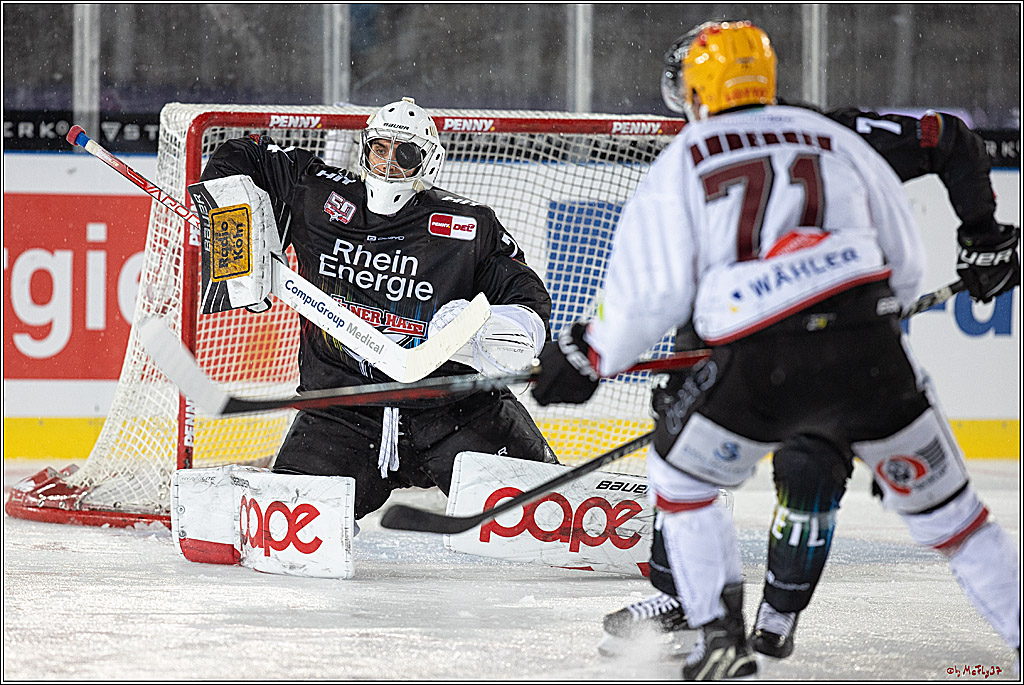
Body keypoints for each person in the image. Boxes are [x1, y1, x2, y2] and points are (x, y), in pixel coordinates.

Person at [530, 20, 1020, 680]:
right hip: (868, 351)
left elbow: (651, 291)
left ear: (695, 92)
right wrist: (860, 314)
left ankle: (719, 637)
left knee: (682, 480)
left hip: (760, 360)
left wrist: (590, 355)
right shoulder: (832, 135)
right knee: (960, 521)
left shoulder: (689, 154)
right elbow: (902, 260)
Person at [199, 97, 558, 522]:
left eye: (404, 154)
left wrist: (489, 330)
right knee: (278, 530)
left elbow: (528, 299)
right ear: (364, 149)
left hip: (455, 411)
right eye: (379, 148)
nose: (388, 163)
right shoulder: (318, 193)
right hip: (342, 414)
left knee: (547, 519)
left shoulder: (469, 226)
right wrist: (234, 233)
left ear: (428, 162)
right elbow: (239, 155)